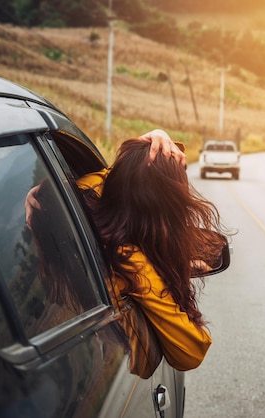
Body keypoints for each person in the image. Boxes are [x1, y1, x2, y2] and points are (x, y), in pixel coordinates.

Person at [76, 129, 228, 374]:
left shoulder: (81, 204)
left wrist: (135, 160)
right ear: (166, 214)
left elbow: (96, 185)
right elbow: (191, 353)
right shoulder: (130, 261)